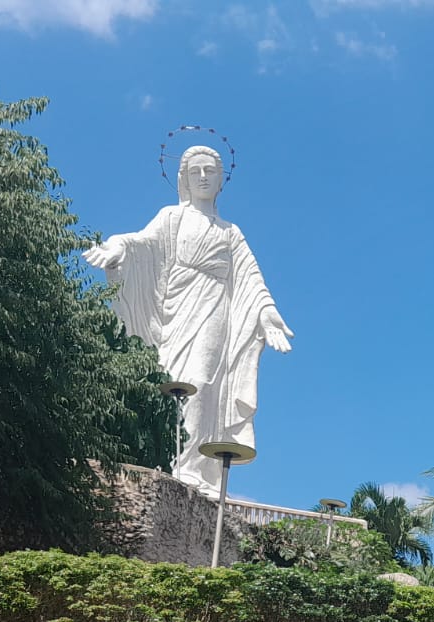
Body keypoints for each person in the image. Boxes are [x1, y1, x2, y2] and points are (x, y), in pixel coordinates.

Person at [84, 146, 293, 494]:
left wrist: (266, 313)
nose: (203, 177)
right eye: (195, 171)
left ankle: (192, 467)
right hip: (174, 312)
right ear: (183, 178)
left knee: (201, 384)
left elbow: (251, 279)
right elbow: (142, 243)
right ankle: (161, 458)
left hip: (214, 310)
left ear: (222, 179)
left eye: (210, 170)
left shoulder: (230, 233)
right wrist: (117, 247)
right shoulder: (171, 217)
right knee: (169, 384)